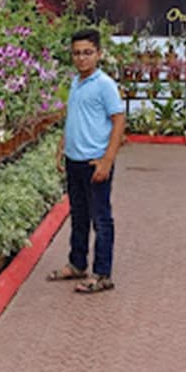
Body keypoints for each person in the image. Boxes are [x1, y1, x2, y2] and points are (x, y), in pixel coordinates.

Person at [47, 28, 125, 294]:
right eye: (77, 53)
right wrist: (62, 146)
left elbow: (118, 122)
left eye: (87, 53)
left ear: (99, 54)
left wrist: (107, 161)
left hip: (94, 163)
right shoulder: (76, 82)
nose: (82, 58)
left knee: (101, 219)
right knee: (78, 215)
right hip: (74, 160)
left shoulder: (105, 85)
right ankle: (77, 264)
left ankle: (102, 274)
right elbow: (74, 117)